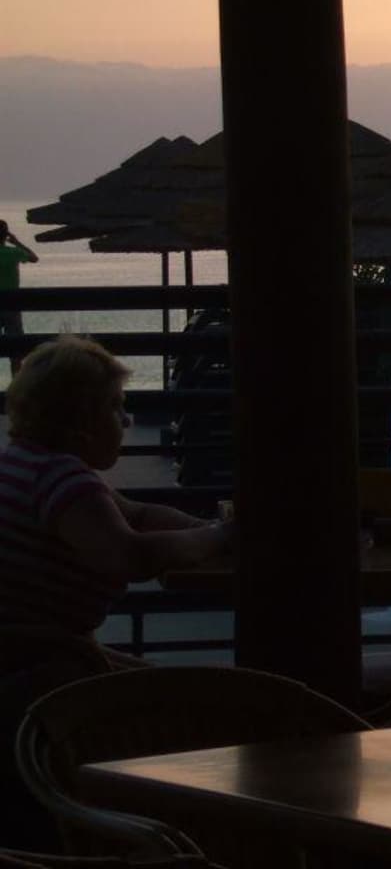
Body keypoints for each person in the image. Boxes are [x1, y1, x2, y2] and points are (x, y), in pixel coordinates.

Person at [0, 336, 232, 848]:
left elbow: (140, 515)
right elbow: (129, 555)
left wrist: (204, 529)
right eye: (115, 407)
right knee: (195, 706)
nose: (126, 421)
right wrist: (217, 538)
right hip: (41, 674)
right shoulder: (66, 482)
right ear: (80, 422)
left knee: (178, 688)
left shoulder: (28, 462)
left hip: (25, 656)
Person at [0, 220, 38, 375]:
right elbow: (34, 258)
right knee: (15, 351)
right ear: (6, 235)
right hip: (12, 304)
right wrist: (16, 242)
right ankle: (17, 384)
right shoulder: (14, 253)